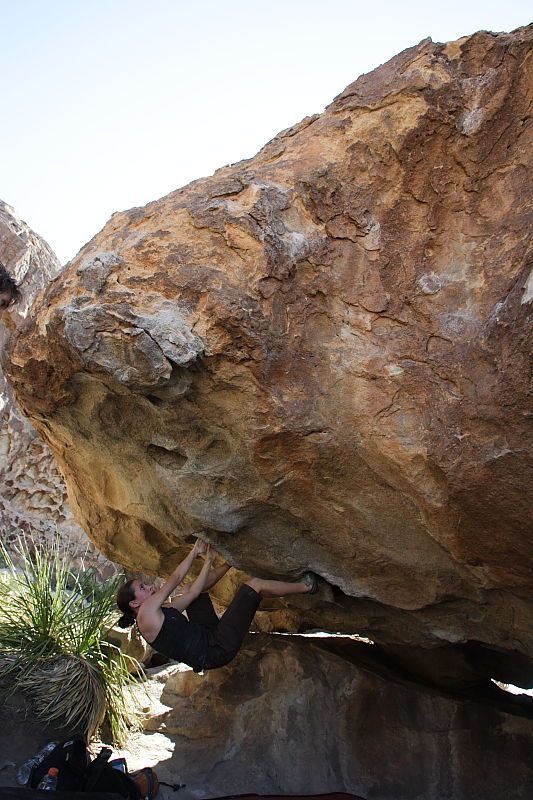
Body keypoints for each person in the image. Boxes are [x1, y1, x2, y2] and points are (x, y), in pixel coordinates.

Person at [116, 539, 318, 672]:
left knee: (190, 590)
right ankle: (306, 587)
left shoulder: (159, 614)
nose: (148, 586)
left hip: (208, 634)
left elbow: (195, 592)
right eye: (142, 587)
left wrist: (221, 562)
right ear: (134, 603)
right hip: (216, 649)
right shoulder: (145, 615)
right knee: (254, 585)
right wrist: (197, 552)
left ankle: (229, 563)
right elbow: (175, 577)